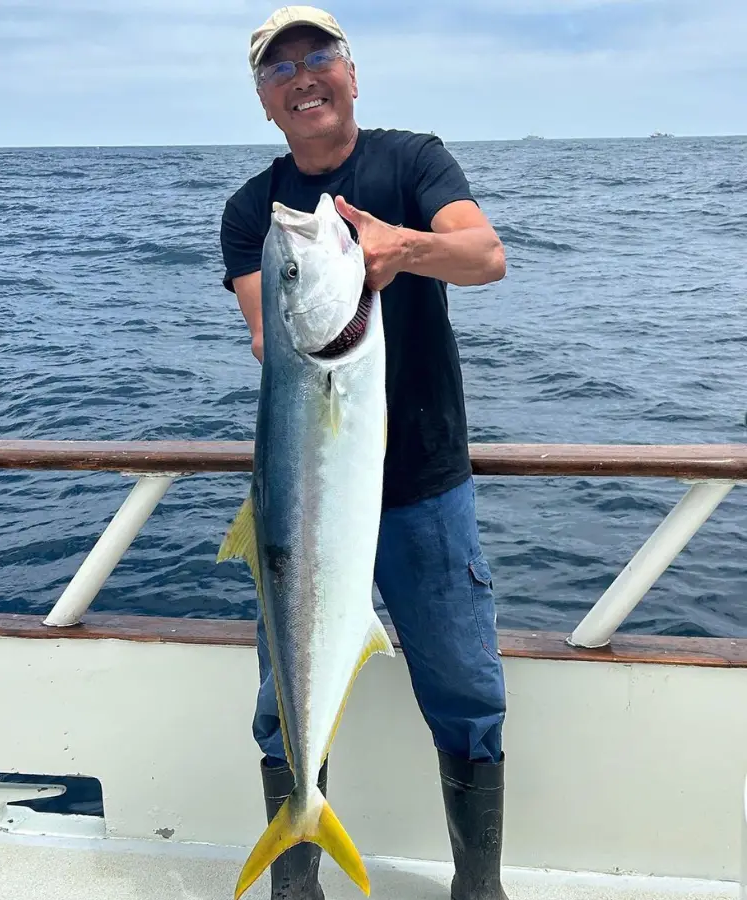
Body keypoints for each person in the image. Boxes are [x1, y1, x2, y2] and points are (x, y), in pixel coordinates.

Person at [219, 6, 509, 899]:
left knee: (464, 686)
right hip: (299, 507)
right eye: (280, 69)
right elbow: (277, 341)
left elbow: (485, 256)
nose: (302, 77)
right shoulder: (249, 212)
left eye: (318, 58)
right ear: (265, 102)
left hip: (426, 489)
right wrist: (327, 273)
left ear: (351, 73)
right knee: (286, 699)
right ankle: (296, 871)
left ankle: (479, 884)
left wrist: (401, 247)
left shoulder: (414, 161)